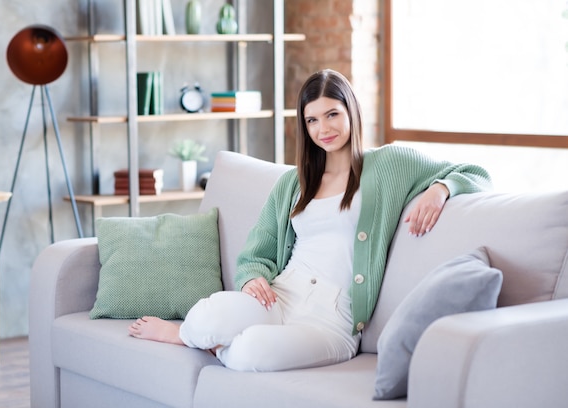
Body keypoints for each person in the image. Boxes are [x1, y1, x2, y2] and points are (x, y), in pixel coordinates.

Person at [128, 69, 492, 372]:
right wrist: (253, 277)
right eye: (312, 120)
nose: (323, 129)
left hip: (332, 320)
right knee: (207, 315)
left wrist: (441, 188)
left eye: (332, 114)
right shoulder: (293, 182)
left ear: (351, 110)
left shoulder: (389, 164)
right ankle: (188, 335)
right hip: (281, 295)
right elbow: (258, 250)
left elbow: (475, 172)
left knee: (251, 351)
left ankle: (211, 345)